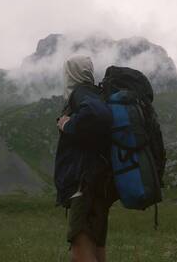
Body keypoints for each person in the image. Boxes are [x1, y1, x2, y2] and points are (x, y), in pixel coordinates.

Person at [54, 55, 117, 262]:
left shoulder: (81, 93)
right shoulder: (97, 94)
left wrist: (66, 125)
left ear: (71, 73)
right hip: (99, 183)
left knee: (80, 249)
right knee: (96, 247)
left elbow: (97, 115)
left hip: (84, 184)